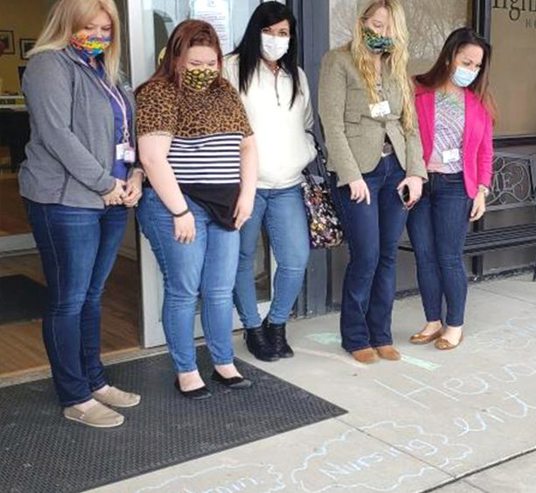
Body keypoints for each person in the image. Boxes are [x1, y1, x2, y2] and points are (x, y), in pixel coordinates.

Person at [19, 0, 142, 428]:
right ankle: (75, 396)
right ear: (66, 23)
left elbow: (127, 132)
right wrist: (105, 183)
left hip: (112, 198)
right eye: (89, 27)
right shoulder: (48, 64)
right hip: (66, 200)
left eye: (106, 29)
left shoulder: (107, 70)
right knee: (68, 300)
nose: (99, 36)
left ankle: (95, 380)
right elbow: (58, 136)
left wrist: (136, 175)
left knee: (92, 295)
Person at [136, 20, 257, 399]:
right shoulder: (158, 93)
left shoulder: (226, 92)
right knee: (184, 290)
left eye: (211, 63)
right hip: (179, 204)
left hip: (225, 205)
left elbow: (248, 146)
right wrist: (179, 211)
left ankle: (223, 362)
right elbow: (152, 158)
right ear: (176, 59)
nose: (205, 70)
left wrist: (247, 195)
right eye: (195, 63)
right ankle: (186, 370)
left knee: (220, 289)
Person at [319, 0, 426, 364]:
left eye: (389, 28)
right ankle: (355, 336)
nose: (382, 33)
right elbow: (331, 124)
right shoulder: (338, 61)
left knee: (387, 255)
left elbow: (409, 126)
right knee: (366, 255)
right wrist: (350, 176)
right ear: (362, 22)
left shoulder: (397, 67)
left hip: (395, 170)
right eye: (377, 25)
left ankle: (381, 334)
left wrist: (416, 173)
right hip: (359, 172)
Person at [223, 2, 316, 363]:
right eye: (269, 31)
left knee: (295, 259)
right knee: (242, 259)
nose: (276, 39)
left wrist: (303, 152)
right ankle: (252, 327)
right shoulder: (231, 68)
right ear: (255, 31)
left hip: (288, 184)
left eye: (283, 33)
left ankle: (276, 324)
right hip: (245, 186)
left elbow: (306, 124)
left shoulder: (297, 76)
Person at [407, 28, 495, 351]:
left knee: (448, 256)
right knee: (424, 255)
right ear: (449, 57)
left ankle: (454, 324)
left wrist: (482, 190)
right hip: (420, 182)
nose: (471, 70)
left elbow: (485, 151)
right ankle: (433, 321)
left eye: (477, 66)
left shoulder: (478, 103)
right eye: (466, 62)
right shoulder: (417, 91)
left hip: (456, 185)